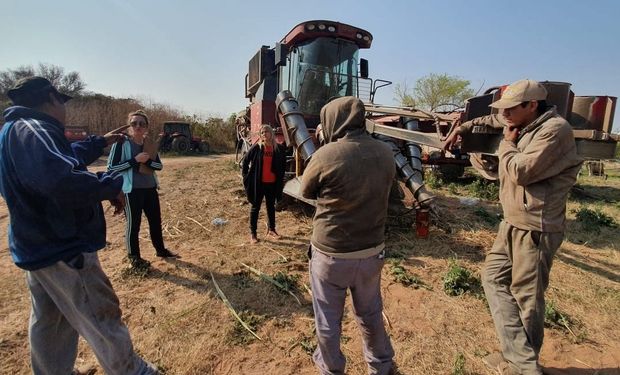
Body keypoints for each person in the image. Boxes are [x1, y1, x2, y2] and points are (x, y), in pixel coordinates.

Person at [0, 76, 159, 374]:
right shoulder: (33, 131)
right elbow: (62, 179)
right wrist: (109, 185)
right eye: (62, 102)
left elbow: (64, 159)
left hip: (39, 247)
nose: (64, 109)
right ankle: (130, 370)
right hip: (63, 245)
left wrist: (100, 141)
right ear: (50, 98)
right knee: (100, 313)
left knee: (50, 320)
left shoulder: (17, 130)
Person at [443, 79, 583, 375]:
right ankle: (517, 355)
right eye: (503, 108)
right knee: (493, 278)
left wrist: (506, 144)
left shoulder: (554, 131)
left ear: (532, 105)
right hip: (512, 221)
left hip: (535, 226)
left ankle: (524, 366)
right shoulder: (521, 120)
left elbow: (521, 171)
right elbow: (491, 118)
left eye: (510, 108)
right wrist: (463, 127)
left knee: (527, 298)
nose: (504, 114)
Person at [300, 97, 396, 375]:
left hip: (331, 255)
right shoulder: (385, 152)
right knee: (370, 313)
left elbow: (306, 191)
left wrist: (323, 147)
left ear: (333, 121)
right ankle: (381, 365)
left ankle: (331, 369)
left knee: (329, 322)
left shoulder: (326, 154)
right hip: (371, 252)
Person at [107, 110, 178, 268]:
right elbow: (111, 167)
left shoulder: (149, 143)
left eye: (141, 124)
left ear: (146, 127)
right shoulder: (121, 143)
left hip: (150, 188)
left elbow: (158, 166)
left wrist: (146, 162)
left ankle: (161, 250)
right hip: (131, 190)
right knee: (133, 224)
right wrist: (135, 160)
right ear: (129, 126)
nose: (138, 126)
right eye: (134, 123)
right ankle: (134, 258)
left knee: (155, 221)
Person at [241, 124, 286, 244]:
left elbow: (282, 165)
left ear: (271, 133)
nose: (264, 134)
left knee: (271, 207)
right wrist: (246, 176)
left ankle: (271, 230)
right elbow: (245, 161)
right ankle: (253, 234)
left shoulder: (278, 149)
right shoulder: (257, 148)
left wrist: (280, 178)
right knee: (255, 207)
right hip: (258, 183)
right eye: (262, 132)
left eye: (266, 131)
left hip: (272, 183)